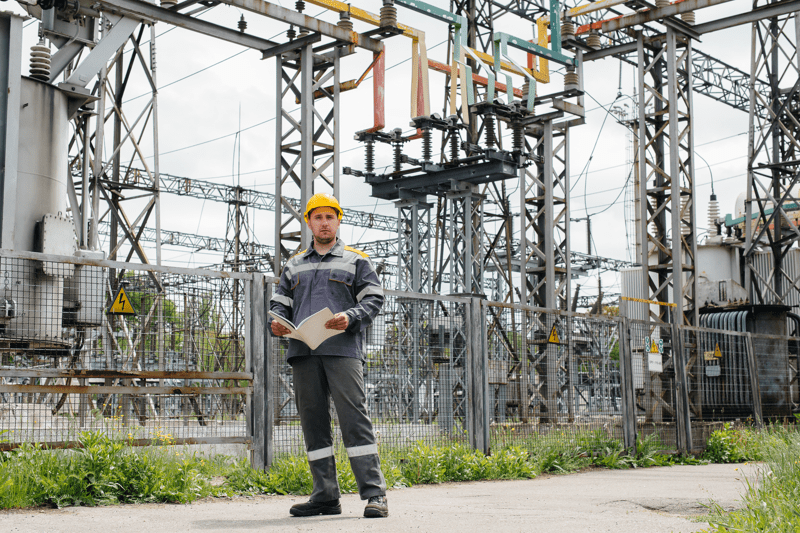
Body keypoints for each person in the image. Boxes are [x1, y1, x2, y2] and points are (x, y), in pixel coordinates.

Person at [269, 193, 388, 518]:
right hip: (303, 351)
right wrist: (276, 323)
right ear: (309, 222)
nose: (324, 223)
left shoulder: (356, 260)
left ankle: (375, 494)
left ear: (338, 221)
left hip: (342, 350)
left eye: (329, 217)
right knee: (314, 423)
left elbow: (374, 298)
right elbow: (280, 304)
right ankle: (324, 495)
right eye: (318, 217)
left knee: (354, 419)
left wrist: (351, 317)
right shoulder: (294, 265)